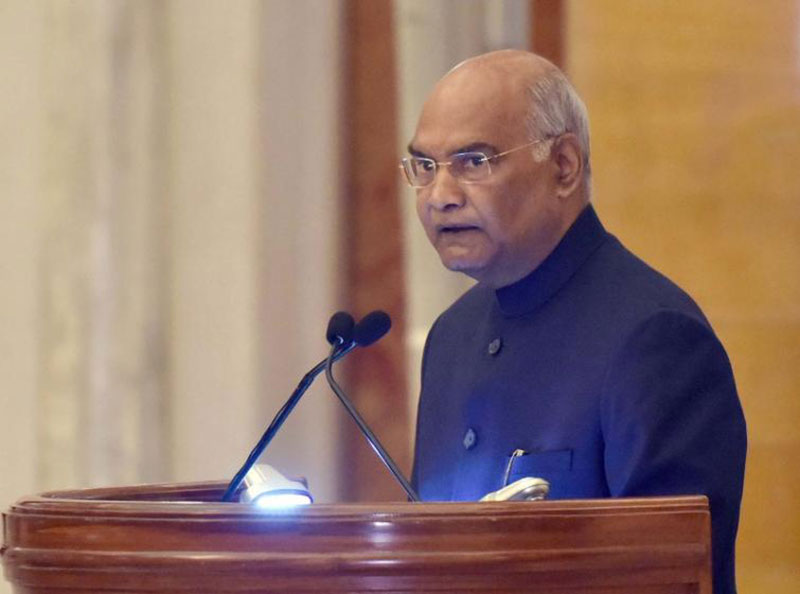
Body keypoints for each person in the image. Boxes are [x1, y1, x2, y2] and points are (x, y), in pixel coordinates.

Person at [403, 50, 746, 594]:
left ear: (563, 166)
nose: (440, 197)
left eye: (474, 162)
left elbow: (667, 578)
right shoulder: (451, 337)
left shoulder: (655, 337)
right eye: (425, 167)